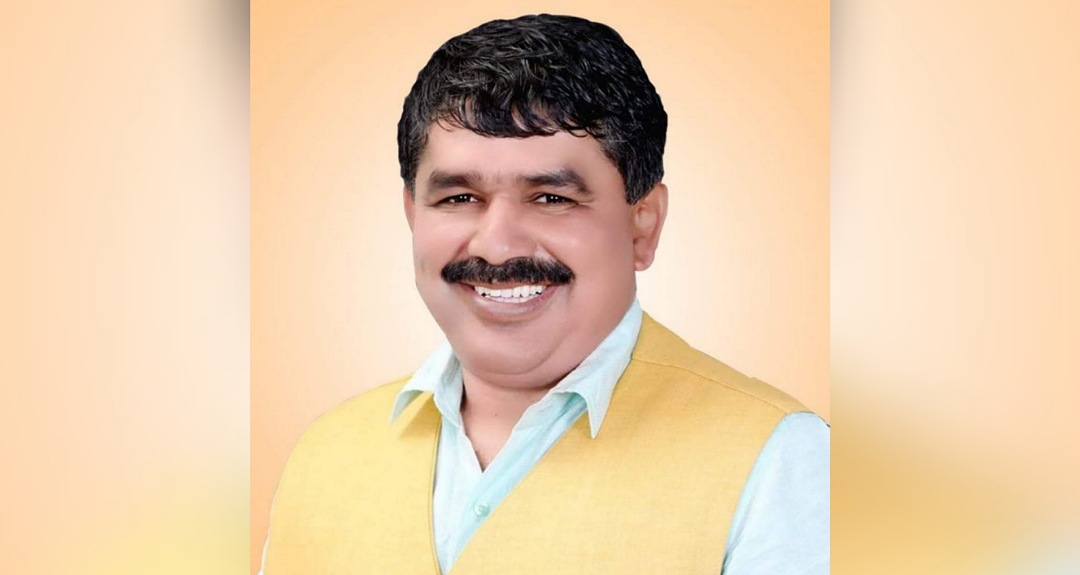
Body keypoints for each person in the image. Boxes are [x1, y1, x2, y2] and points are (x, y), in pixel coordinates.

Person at [261, 13, 828, 575]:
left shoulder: (778, 462)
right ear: (413, 216)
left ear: (643, 225)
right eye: (459, 198)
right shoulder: (324, 455)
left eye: (551, 198)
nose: (498, 246)